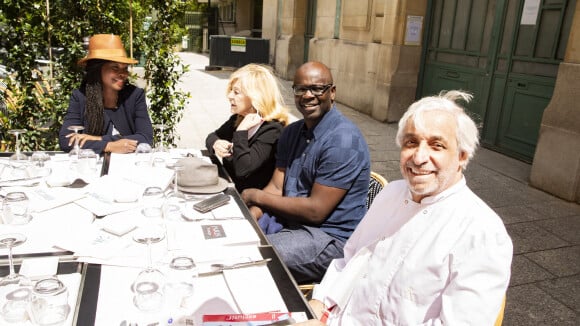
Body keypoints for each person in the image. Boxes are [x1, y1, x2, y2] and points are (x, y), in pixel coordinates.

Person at [301, 90, 513, 325]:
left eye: (437, 145)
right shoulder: (392, 193)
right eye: (411, 142)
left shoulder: (482, 231)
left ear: (462, 156)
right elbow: (350, 258)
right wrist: (317, 305)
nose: (419, 157)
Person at [241, 61, 371, 284]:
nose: (308, 95)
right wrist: (252, 215)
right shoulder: (292, 132)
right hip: (291, 224)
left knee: (250, 257)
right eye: (301, 89)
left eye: (317, 88)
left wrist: (253, 195)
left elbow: (315, 211)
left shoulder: (343, 141)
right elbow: (275, 187)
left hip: (331, 239)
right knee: (235, 238)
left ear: (332, 93)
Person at [59, 34, 153, 154]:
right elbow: (66, 140)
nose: (122, 74)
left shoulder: (134, 95)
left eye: (125, 69)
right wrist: (108, 146)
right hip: (92, 165)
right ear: (97, 70)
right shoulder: (80, 97)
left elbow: (146, 138)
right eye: (115, 68)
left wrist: (99, 139)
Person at [205, 63, 289, 193]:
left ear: (256, 96)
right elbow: (211, 137)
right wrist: (216, 143)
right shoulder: (238, 118)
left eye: (236, 92)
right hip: (228, 190)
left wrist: (241, 131)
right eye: (231, 90)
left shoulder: (272, 129)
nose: (230, 96)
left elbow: (243, 170)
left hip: (249, 203)